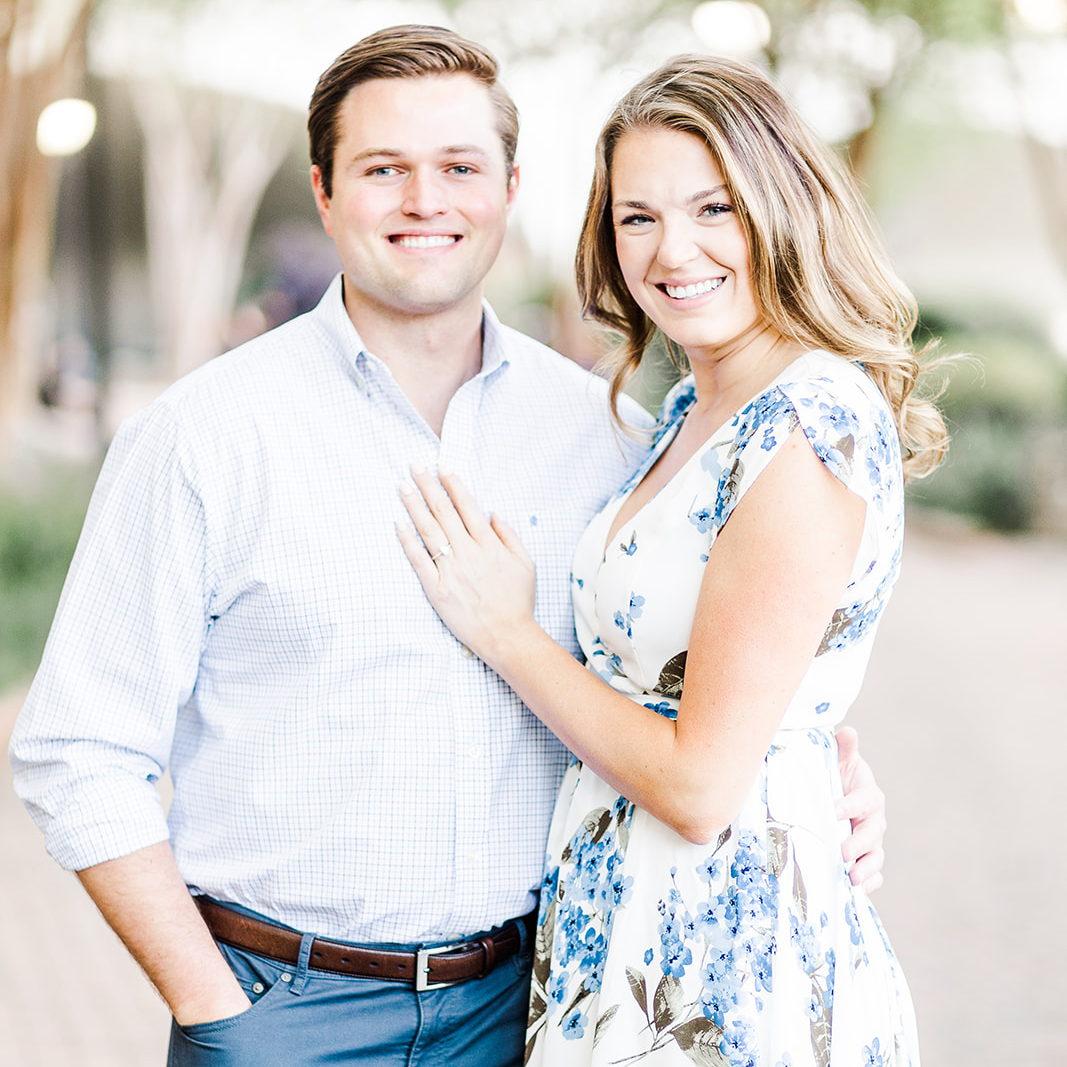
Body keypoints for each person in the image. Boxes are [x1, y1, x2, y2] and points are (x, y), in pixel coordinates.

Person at [9, 27, 887, 1067]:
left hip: (535, 1002)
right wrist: (219, 1012)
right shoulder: (202, 437)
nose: (425, 200)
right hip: (287, 1011)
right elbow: (79, 751)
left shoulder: (608, 437)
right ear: (324, 191)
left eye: (459, 168)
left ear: (509, 189)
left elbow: (692, 678)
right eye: (383, 168)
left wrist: (810, 771)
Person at [396, 54, 945, 1066]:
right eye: (636, 216)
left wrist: (506, 633)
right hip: (635, 929)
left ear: (780, 207)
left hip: (725, 961)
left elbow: (698, 784)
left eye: (712, 208)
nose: (670, 250)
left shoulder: (805, 421)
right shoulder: (697, 405)